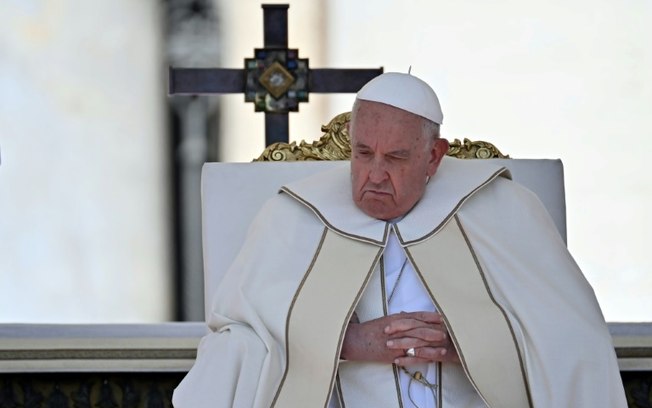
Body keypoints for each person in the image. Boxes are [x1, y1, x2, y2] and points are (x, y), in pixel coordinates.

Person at [173, 72, 626, 407]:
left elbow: (574, 340)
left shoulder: (506, 209)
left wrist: (476, 342)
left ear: (434, 156)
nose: (374, 176)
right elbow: (234, 343)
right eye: (363, 153)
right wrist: (343, 342)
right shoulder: (292, 215)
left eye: (396, 158)